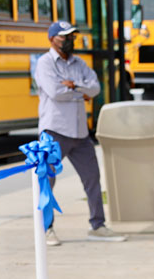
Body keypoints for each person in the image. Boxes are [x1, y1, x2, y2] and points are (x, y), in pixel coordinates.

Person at [33, 21, 127, 245]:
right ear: (52, 39)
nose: (69, 41)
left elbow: (95, 88)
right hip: (54, 131)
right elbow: (56, 92)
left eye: (72, 37)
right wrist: (80, 90)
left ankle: (98, 225)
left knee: (92, 177)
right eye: (64, 37)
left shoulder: (79, 64)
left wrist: (74, 86)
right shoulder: (44, 64)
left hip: (80, 132)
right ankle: (46, 229)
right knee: (47, 181)